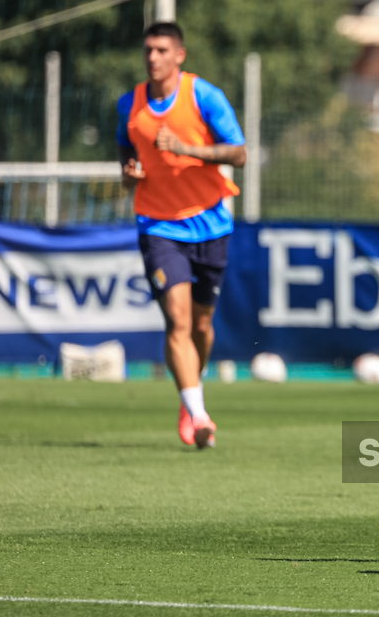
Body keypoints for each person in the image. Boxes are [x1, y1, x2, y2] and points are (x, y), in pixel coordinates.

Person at [117, 22, 246, 450]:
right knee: (178, 319)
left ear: (179, 55)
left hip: (209, 223)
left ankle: (190, 389)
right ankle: (198, 413)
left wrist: (186, 149)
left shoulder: (203, 96)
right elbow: (126, 155)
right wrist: (129, 173)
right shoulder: (129, 105)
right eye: (148, 49)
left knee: (203, 324)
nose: (152, 57)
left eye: (161, 50)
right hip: (158, 225)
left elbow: (239, 153)